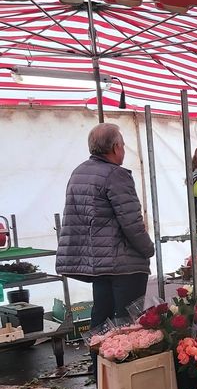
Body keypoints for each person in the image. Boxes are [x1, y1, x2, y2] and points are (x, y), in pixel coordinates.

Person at [56, 123, 154, 331]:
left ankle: (98, 363)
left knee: (101, 318)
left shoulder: (79, 172)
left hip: (98, 264)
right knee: (128, 323)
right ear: (116, 146)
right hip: (124, 263)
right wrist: (148, 249)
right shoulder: (115, 174)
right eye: (123, 145)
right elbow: (131, 222)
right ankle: (123, 364)